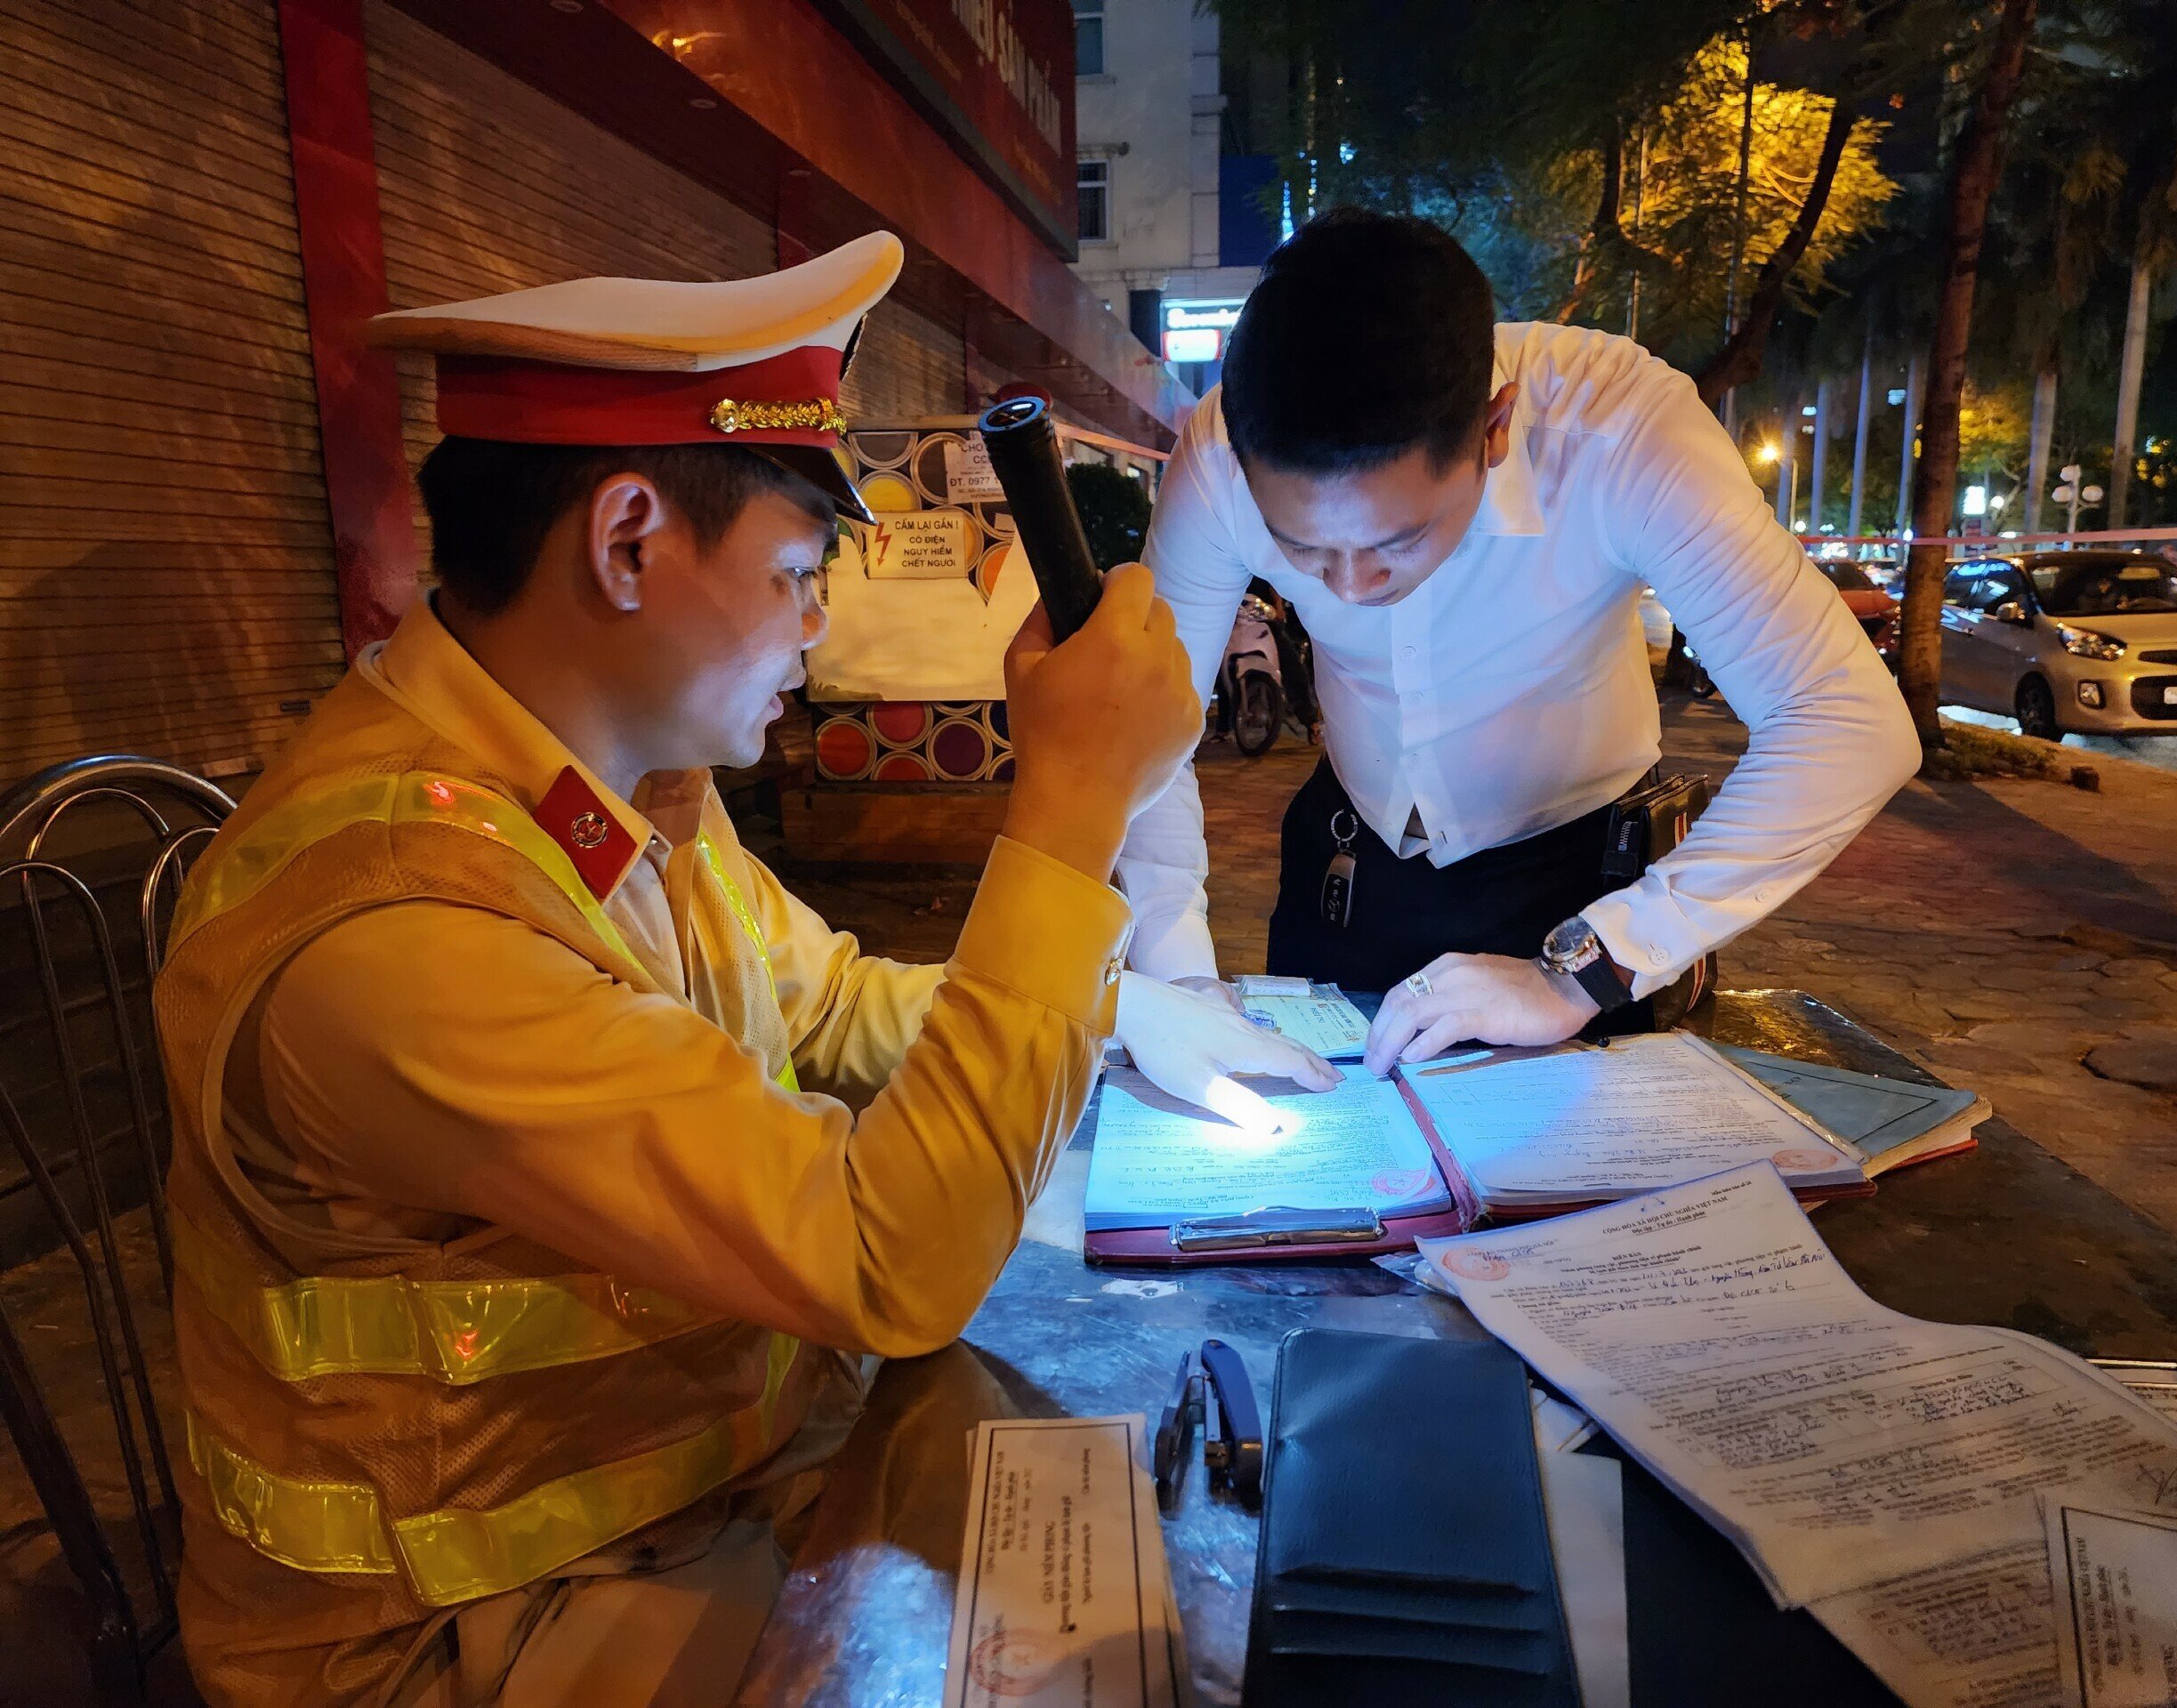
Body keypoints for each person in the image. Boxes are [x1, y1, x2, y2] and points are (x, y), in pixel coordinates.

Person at [153, 232, 1208, 1708]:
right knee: (1082, 1657)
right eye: (794, 570)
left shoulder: (608, 780)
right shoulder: (398, 930)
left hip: (696, 1499)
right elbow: (878, 1264)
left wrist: (1121, 1018)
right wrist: (1071, 813)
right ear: (628, 538)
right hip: (457, 1633)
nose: (820, 627)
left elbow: (827, 1004)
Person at [1118, 209, 1919, 1073]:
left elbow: (1843, 718)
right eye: (1300, 549)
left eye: (1396, 543)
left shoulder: (1620, 432)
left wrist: (1583, 970)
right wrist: (1180, 984)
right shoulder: (1218, 456)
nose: (1348, 588)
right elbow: (1142, 733)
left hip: (1578, 878)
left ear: (1493, 430)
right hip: (1348, 866)